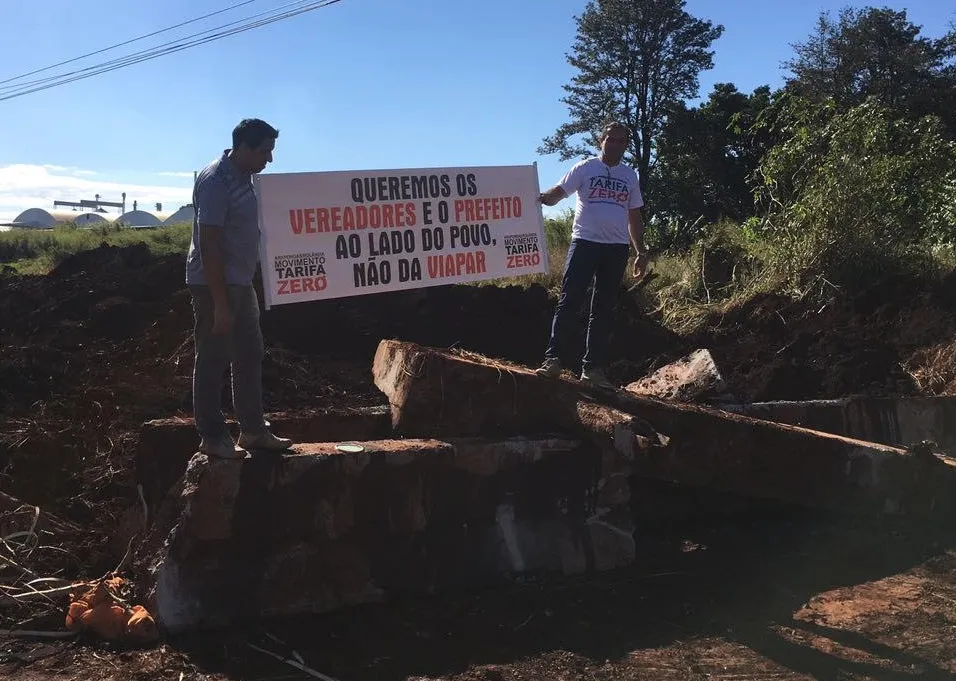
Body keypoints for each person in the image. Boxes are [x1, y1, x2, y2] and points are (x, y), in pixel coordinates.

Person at [185, 118, 293, 458]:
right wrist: (219, 303)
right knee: (213, 357)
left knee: (249, 352)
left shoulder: (246, 179)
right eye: (264, 152)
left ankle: (253, 430)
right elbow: (209, 244)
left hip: (239, 281)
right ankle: (213, 437)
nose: (269, 160)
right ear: (243, 148)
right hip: (214, 284)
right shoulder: (217, 181)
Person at [535, 121, 649, 389]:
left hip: (616, 249)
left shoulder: (630, 176)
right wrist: (540, 197)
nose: (616, 145)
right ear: (602, 140)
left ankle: (593, 369)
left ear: (626, 146)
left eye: (622, 141)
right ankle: (553, 361)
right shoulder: (586, 168)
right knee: (569, 301)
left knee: (604, 309)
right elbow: (559, 193)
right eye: (612, 139)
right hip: (584, 243)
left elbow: (634, 216)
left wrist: (640, 250)